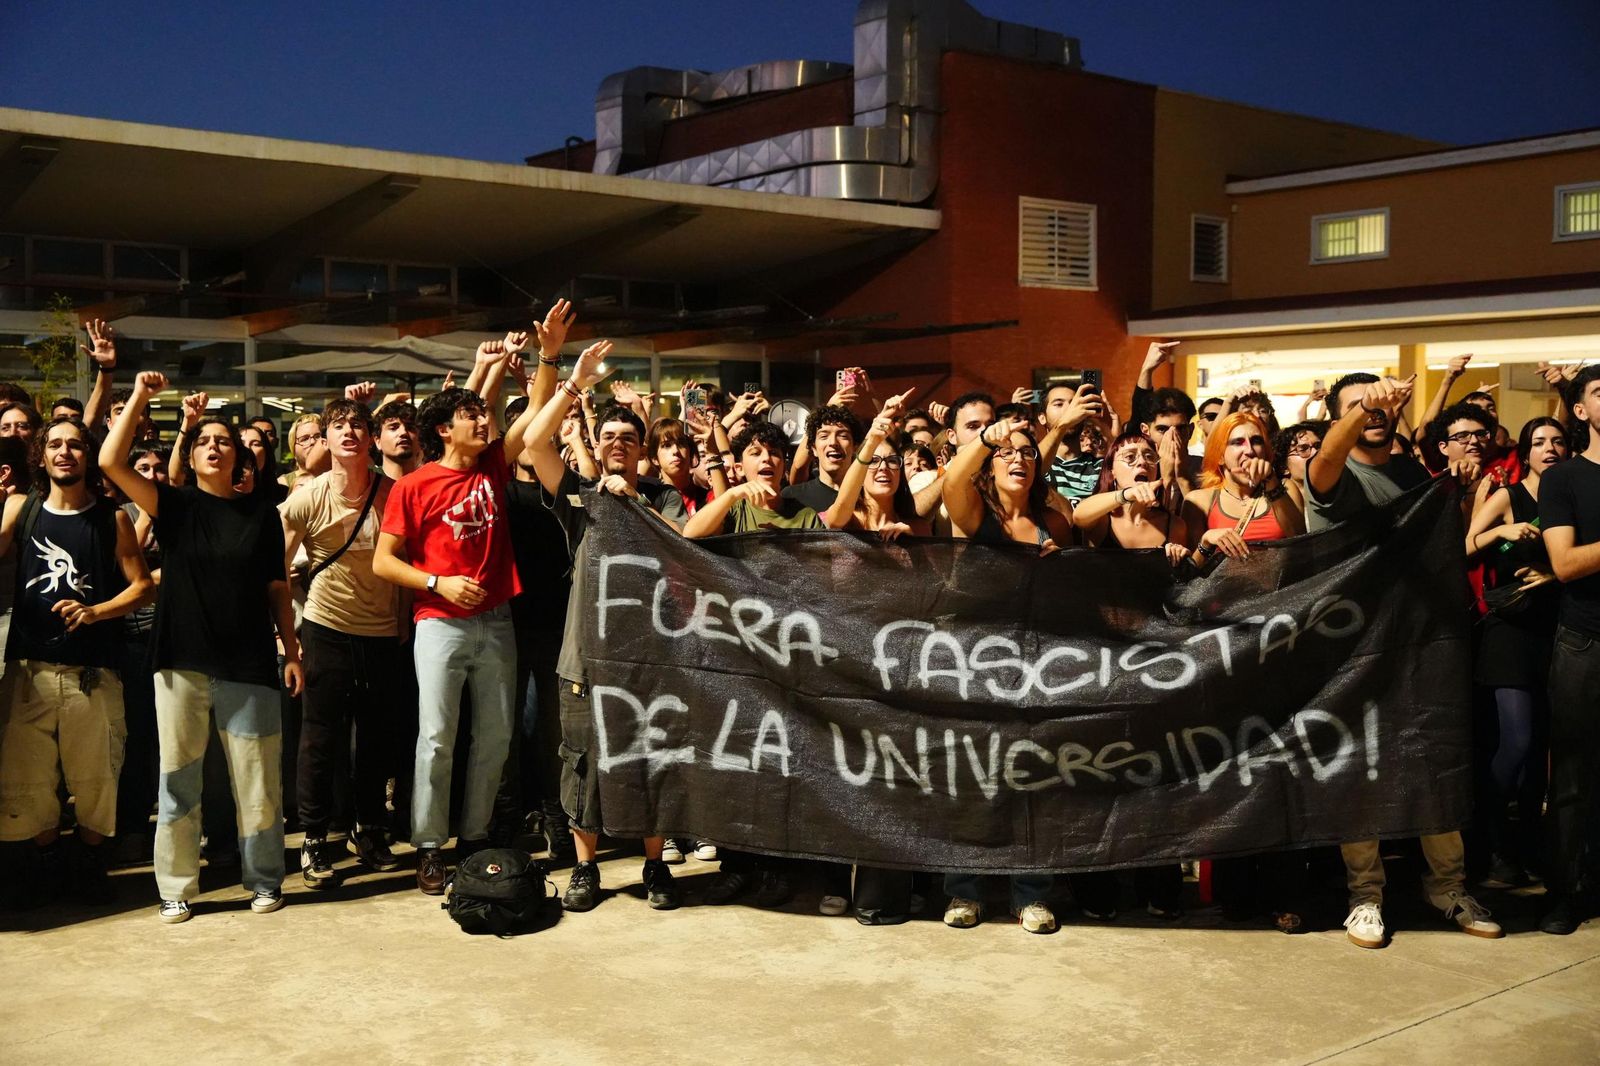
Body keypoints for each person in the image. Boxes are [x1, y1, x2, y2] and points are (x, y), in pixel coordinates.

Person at [1306, 371, 1500, 947]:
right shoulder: (1332, 473)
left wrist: (1463, 495)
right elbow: (1326, 456)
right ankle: (1365, 896)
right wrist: (1359, 408)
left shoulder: (1413, 472)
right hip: (1355, 646)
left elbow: (1440, 548)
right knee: (1362, 769)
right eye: (1357, 406)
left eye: (1380, 403)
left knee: (1432, 760)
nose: (1373, 411)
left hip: (1420, 642)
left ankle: (1447, 887)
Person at [101, 371, 303, 924]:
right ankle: (175, 886)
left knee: (258, 781)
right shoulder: (175, 506)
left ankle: (265, 878)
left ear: (240, 457)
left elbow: (277, 588)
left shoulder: (263, 516)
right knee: (178, 780)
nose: (214, 447)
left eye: (225, 441)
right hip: (180, 662)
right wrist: (140, 396)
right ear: (189, 457)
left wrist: (291, 650)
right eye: (204, 441)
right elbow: (110, 461)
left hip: (250, 663)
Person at [523, 339, 686, 912]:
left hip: (651, 660)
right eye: (608, 437)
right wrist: (573, 383)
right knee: (582, 762)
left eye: (628, 438)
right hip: (585, 660)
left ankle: (654, 865)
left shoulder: (665, 498)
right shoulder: (578, 496)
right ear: (596, 445)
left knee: (652, 759)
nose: (618, 444)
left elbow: (684, 549)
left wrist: (634, 502)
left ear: (642, 450)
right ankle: (586, 868)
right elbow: (533, 442)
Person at [372, 336, 533, 895]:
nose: (483, 422)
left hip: (497, 619)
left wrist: (514, 366)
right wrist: (438, 582)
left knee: (495, 738)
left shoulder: (492, 467)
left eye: (483, 416)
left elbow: (531, 412)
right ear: (444, 429)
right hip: (438, 622)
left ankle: (475, 837)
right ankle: (428, 846)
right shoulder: (413, 486)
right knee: (437, 737)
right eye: (471, 416)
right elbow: (383, 561)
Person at [0, 417, 153, 905]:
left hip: (94, 670)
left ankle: (89, 872)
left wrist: (96, 611)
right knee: (27, 785)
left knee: (96, 783)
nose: (65, 452)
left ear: (88, 455)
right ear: (41, 455)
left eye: (75, 445)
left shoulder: (112, 517)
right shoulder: (21, 507)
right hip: (28, 671)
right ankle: (47, 869)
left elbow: (143, 587)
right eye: (55, 444)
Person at [937, 413, 1071, 934]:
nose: (1018, 459)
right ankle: (964, 890)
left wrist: (1059, 568)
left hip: (1036, 664)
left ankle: (1031, 894)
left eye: (1027, 452)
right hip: (974, 664)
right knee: (971, 779)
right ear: (990, 465)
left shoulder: (1053, 521)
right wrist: (984, 439)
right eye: (1007, 453)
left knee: (1033, 780)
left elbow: (1073, 593)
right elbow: (952, 481)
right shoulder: (975, 511)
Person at [280, 398, 406, 889]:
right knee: (320, 738)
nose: (349, 431)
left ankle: (368, 828)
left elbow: (407, 564)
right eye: (338, 425)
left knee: (376, 738)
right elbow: (275, 571)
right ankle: (314, 836)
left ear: (371, 438)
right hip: (326, 627)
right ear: (326, 438)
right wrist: (287, 640)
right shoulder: (307, 498)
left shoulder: (392, 493)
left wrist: (402, 626)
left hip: (381, 632)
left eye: (357, 424)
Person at [1465, 417, 1565, 888]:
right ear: (1525, 454)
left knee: (1541, 749)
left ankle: (1527, 849)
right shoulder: (1509, 496)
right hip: (1510, 632)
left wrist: (1554, 574)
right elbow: (1465, 545)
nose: (1550, 448)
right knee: (1517, 742)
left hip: (1558, 629)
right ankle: (1487, 846)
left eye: (1558, 441)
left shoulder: (1572, 497)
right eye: (1539, 442)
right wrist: (1501, 533)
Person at [1536, 365, 1600, 934]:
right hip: (1586, 641)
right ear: (1579, 410)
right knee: (1574, 778)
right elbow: (1565, 563)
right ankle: (1566, 892)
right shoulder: (1564, 479)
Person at [1181, 411, 1305, 565]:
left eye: (1256, 441)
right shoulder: (1199, 501)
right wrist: (1206, 542)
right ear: (1220, 456)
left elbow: (1301, 542)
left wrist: (1271, 483)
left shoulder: (1284, 488)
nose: (1250, 451)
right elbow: (1191, 571)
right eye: (1238, 442)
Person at [1071, 430, 1187, 563]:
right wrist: (1127, 494)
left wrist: (1177, 555)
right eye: (1130, 457)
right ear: (1112, 471)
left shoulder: (1174, 525)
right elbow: (1078, 515)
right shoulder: (1101, 518)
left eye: (1150, 457)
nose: (1142, 462)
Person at [782, 404, 863, 514]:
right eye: (824, 436)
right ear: (814, 448)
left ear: (855, 447)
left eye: (843, 436)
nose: (833, 442)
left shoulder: (869, 495)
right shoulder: (792, 497)